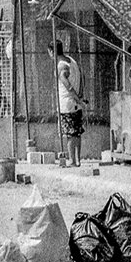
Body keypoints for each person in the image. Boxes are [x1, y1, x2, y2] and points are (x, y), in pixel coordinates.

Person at [55, 38, 85, 166]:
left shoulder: (61, 65)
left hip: (67, 104)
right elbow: (82, 77)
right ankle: (77, 160)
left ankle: (72, 160)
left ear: (52, 52)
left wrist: (78, 98)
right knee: (77, 132)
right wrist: (81, 97)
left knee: (70, 133)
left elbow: (68, 86)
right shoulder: (72, 61)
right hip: (76, 104)